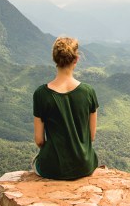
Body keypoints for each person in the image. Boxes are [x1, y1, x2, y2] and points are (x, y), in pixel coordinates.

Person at [32, 36, 99, 179]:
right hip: (84, 166)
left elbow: (39, 140)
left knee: (35, 163)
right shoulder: (88, 92)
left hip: (53, 168)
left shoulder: (41, 94)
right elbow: (91, 136)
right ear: (76, 59)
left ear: (55, 59)